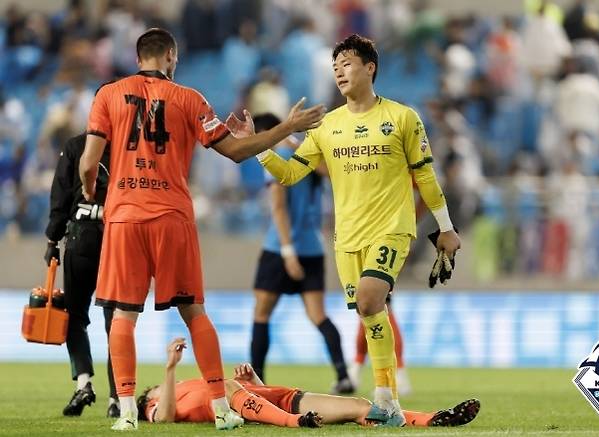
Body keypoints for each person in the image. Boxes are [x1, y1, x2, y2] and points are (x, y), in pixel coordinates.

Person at [79, 27, 325, 431]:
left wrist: (94, 195)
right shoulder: (190, 99)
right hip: (172, 217)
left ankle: (125, 413)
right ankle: (222, 408)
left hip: (124, 215)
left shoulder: (107, 94)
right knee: (194, 312)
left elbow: (89, 163)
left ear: (139, 56)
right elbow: (236, 151)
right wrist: (286, 127)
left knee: (122, 315)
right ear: (171, 57)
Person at [235, 33, 462, 426]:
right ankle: (387, 400)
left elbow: (425, 177)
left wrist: (445, 228)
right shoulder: (326, 126)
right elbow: (290, 174)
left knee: (373, 301)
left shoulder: (402, 118)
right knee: (369, 315)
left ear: (369, 68)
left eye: (348, 64)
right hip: (347, 238)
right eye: (335, 66)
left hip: (392, 229)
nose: (339, 71)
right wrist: (260, 148)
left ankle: (383, 397)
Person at [137, 338, 480, 428]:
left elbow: (255, 400)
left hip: (284, 398)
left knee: (360, 407)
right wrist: (168, 371)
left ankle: (433, 418)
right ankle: (296, 424)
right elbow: (165, 417)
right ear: (148, 398)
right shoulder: (157, 403)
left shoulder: (195, 384)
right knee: (226, 389)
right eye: (153, 389)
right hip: (282, 412)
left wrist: (254, 382)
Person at [250, 112, 352, 394]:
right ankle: (343, 374)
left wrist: (287, 251)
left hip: (280, 247)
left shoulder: (275, 156)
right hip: (313, 247)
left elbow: (279, 207)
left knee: (261, 313)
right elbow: (331, 173)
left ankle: (256, 380)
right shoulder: (304, 153)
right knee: (318, 315)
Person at [45, 131, 118, 418]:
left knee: (75, 317)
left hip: (81, 237)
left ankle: (84, 383)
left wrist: (52, 240)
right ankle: (117, 397)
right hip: (117, 238)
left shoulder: (76, 146)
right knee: (117, 322)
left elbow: (60, 194)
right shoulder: (130, 145)